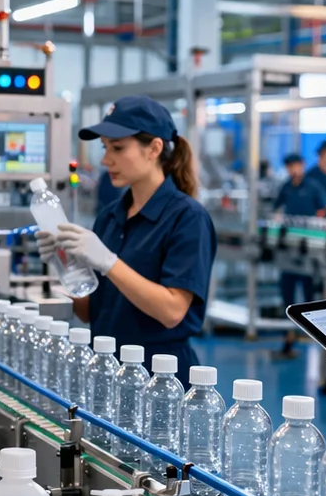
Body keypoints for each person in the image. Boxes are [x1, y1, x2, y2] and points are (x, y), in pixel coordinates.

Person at [39, 96, 217, 378]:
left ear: (154, 148)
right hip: (107, 370)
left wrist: (109, 262)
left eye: (118, 148)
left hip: (160, 379)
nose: (106, 160)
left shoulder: (187, 218)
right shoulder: (110, 216)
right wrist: (64, 265)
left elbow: (172, 311)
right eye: (105, 148)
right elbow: (88, 312)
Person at [274, 151, 326, 356]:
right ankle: (288, 338)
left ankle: (309, 336)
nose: (293, 169)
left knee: (308, 294)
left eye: (296, 165)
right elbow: (276, 209)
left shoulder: (313, 186)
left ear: (303, 165)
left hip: (309, 250)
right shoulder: (286, 187)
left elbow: (325, 210)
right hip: (289, 249)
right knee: (287, 294)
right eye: (290, 166)